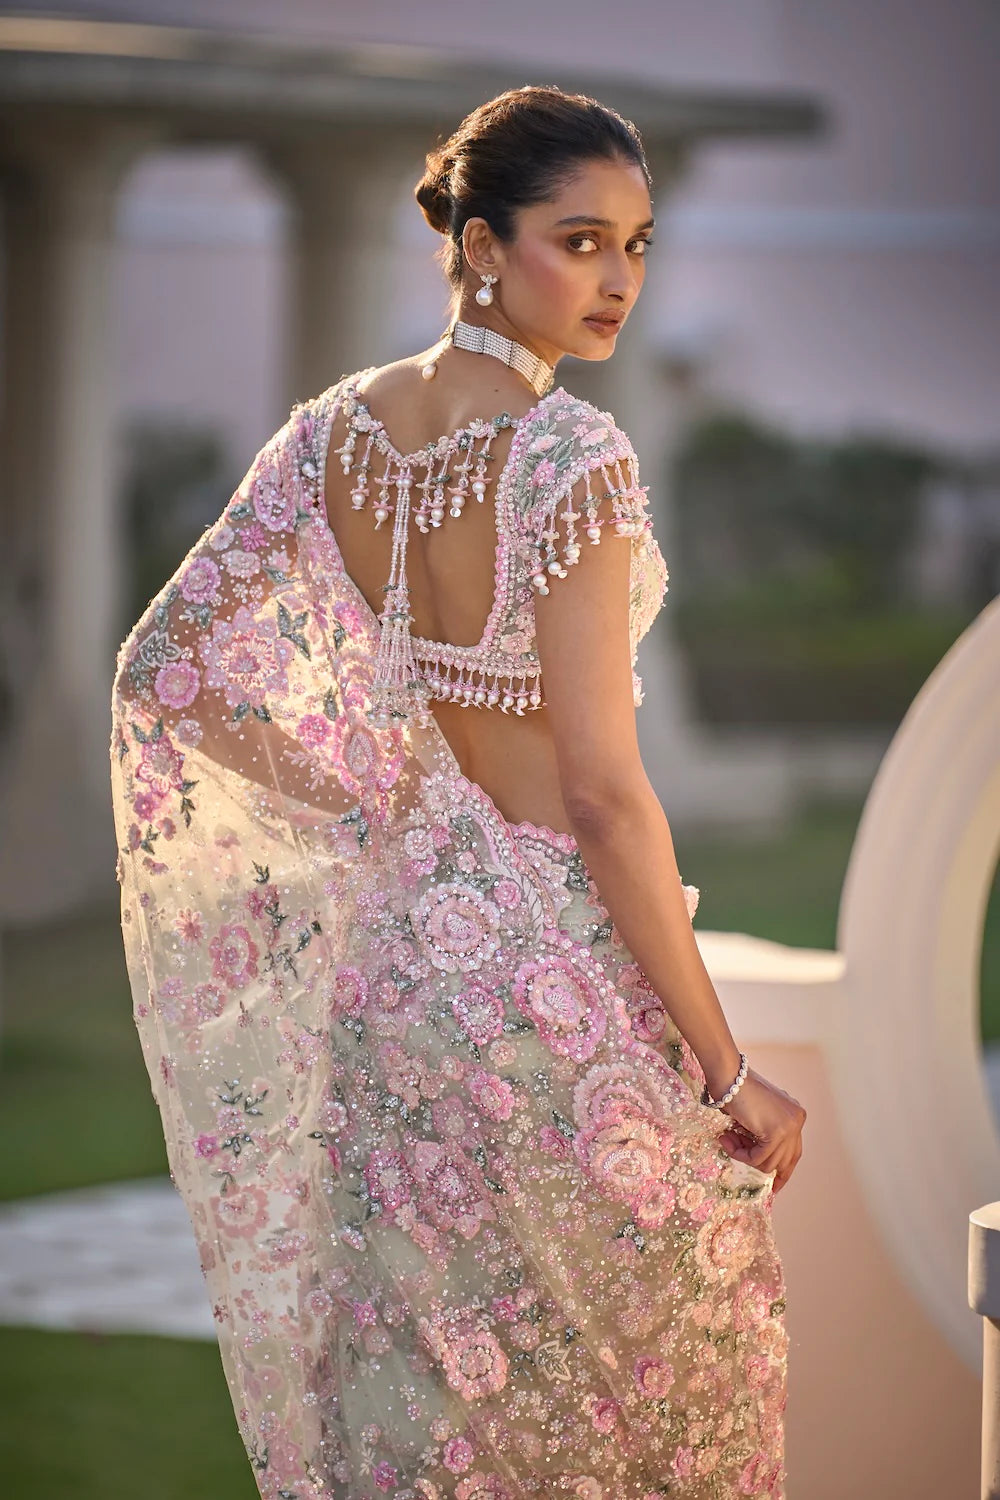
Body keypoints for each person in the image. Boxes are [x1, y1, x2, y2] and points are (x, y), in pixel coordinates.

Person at [110, 84, 805, 1500]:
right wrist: (730, 1073)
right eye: (580, 240)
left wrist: (370, 808)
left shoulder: (336, 434)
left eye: (637, 245)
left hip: (396, 978)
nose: (617, 279)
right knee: (660, 1379)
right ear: (481, 246)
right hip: (546, 974)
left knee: (430, 1401)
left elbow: (163, 675)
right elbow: (605, 799)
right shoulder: (571, 456)